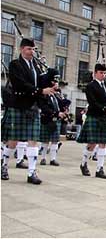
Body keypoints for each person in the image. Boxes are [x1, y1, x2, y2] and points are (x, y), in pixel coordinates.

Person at [1, 38, 57, 184]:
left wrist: (50, 81)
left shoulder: (36, 67)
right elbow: (20, 84)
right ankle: (4, 166)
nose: (32, 52)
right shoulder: (15, 64)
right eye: (28, 49)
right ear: (21, 49)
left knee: (33, 141)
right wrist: (40, 90)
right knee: (13, 141)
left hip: (32, 107)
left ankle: (32, 173)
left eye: (33, 49)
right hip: (18, 106)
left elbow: (40, 84)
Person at [77, 63, 106, 179]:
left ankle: (99, 169)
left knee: (103, 143)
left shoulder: (105, 86)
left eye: (104, 73)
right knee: (92, 144)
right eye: (101, 73)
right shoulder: (90, 86)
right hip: (94, 116)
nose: (103, 75)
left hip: (103, 118)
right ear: (95, 73)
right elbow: (93, 103)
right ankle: (84, 163)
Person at [37, 68, 66, 166]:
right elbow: (44, 107)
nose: (56, 84)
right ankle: (43, 158)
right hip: (47, 119)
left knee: (55, 141)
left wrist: (63, 110)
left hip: (55, 120)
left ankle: (53, 159)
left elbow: (59, 105)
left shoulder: (55, 95)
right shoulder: (44, 95)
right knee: (45, 141)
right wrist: (56, 113)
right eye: (54, 82)